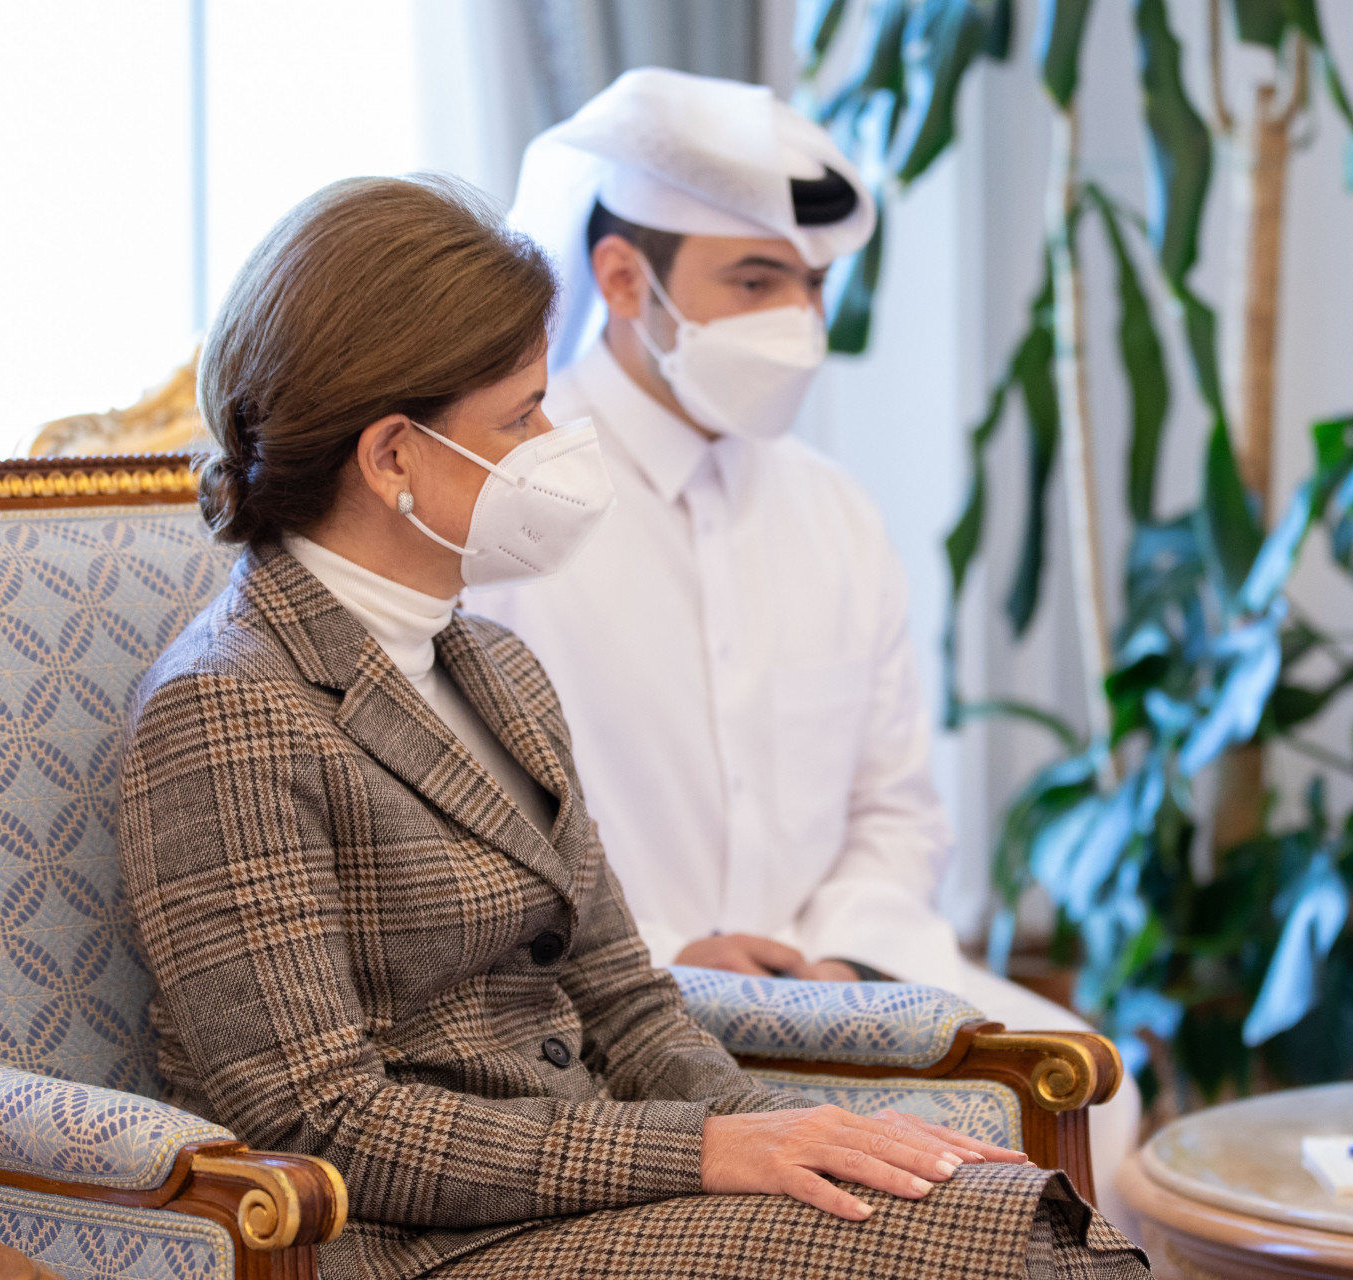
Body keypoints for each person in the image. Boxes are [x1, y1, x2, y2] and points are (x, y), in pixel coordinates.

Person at [117, 173, 1145, 1280]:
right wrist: (705, 1149)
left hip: (583, 1194)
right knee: (1011, 1253)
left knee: (1015, 1221)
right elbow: (325, 1121)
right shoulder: (225, 709)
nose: (553, 438)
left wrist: (799, 1137)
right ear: (393, 457)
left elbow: (624, 999)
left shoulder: (495, 666)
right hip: (415, 1247)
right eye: (521, 417)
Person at [472, 67, 1143, 1220]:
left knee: (1100, 1091)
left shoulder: (836, 512)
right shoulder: (503, 504)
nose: (799, 322)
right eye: (755, 280)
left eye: (813, 285)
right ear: (623, 279)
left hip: (844, 989)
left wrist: (841, 963)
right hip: (601, 1008)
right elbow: (470, 832)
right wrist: (673, 950)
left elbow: (898, 813)